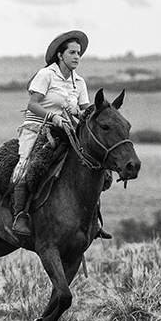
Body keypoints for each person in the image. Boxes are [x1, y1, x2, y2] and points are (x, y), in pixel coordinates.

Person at [10, 30, 112, 239]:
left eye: (79, 54)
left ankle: (93, 221)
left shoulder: (79, 82)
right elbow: (33, 104)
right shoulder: (46, 74)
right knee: (25, 167)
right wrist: (52, 117)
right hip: (37, 128)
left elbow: (86, 111)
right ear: (60, 55)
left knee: (89, 168)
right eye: (72, 52)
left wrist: (84, 114)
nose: (77, 57)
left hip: (67, 131)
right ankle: (20, 215)